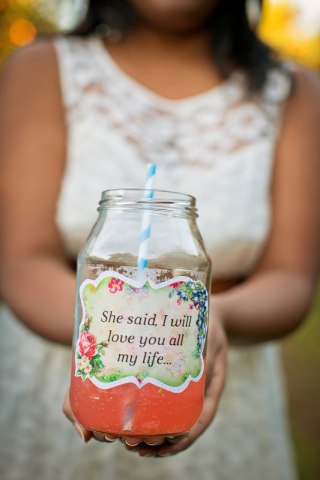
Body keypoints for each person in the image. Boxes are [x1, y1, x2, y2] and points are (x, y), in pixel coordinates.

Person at [0, 0, 319, 479]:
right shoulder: (42, 68)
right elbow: (20, 263)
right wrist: (113, 333)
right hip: (54, 366)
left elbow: (292, 279)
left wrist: (210, 322)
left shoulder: (294, 92)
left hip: (219, 379)